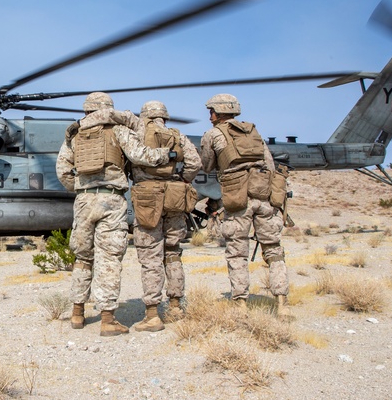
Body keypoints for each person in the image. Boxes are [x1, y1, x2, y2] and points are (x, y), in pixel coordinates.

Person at [56, 92, 175, 337]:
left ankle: (77, 313)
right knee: (108, 259)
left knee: (83, 258)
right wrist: (166, 154)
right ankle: (108, 320)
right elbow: (141, 156)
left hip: (83, 200)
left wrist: (81, 187)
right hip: (111, 199)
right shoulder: (118, 131)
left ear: (87, 111)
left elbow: (63, 170)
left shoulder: (75, 135)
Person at [199, 93, 291, 316]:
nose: (209, 116)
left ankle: (240, 304)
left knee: (237, 252)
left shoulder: (213, 135)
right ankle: (281, 304)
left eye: (211, 111)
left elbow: (207, 166)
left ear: (219, 112)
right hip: (264, 197)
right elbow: (269, 165)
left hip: (238, 199)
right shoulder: (254, 132)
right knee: (274, 250)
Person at [129, 100, 202, 332]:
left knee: (150, 257)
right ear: (164, 117)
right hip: (174, 197)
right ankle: (175, 305)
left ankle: (152, 314)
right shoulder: (176, 135)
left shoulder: (136, 132)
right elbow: (195, 162)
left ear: (145, 116)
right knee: (172, 253)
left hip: (146, 198)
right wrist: (183, 180)